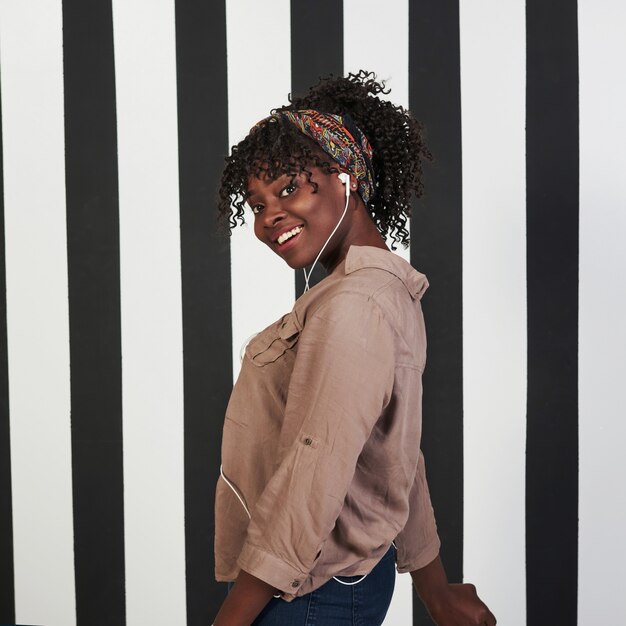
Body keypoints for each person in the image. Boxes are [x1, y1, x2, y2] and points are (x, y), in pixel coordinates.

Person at [213, 70, 496, 626]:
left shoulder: (354, 305)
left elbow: (311, 473)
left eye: (288, 187)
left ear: (345, 178)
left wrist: (231, 619)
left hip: (303, 594)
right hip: (339, 586)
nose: (267, 217)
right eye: (256, 204)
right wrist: (436, 593)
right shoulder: (382, 291)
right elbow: (396, 455)